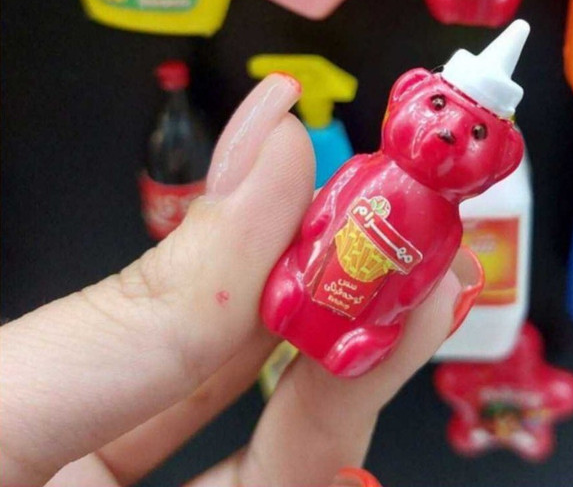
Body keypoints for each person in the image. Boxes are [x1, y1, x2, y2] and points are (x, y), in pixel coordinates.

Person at [0, 74, 481, 487]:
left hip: (360, 317)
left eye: (478, 132)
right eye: (438, 104)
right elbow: (326, 212)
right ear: (407, 93)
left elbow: (422, 280)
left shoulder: (445, 224)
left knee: (369, 345)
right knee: (284, 292)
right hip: (305, 281)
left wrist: (401, 295)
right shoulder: (365, 169)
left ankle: (349, 343)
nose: (449, 133)